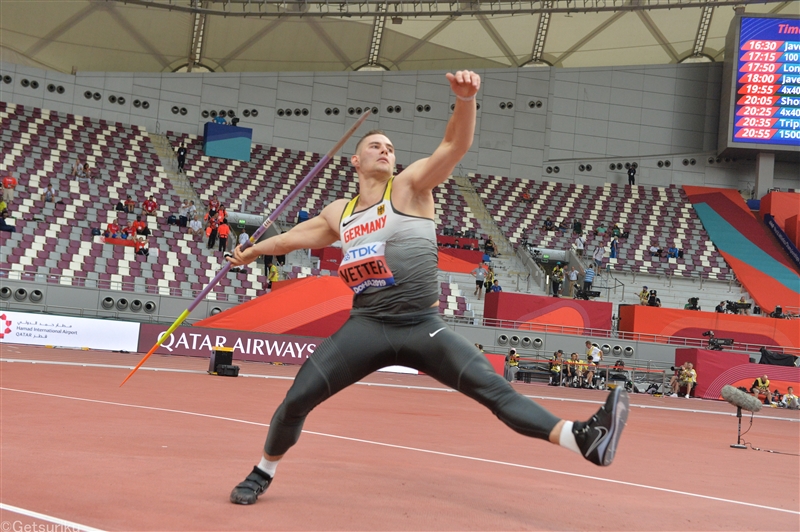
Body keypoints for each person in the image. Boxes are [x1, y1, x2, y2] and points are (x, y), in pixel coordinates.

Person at [225, 71, 628, 505]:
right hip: (367, 326)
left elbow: (454, 146)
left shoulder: (411, 186)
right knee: (295, 400)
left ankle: (583, 438)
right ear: (355, 162)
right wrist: (250, 253)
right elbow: (289, 239)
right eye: (374, 145)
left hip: (422, 326)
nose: (385, 150)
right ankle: (263, 470)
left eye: (390, 147)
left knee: (495, 391)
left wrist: (465, 100)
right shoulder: (339, 213)